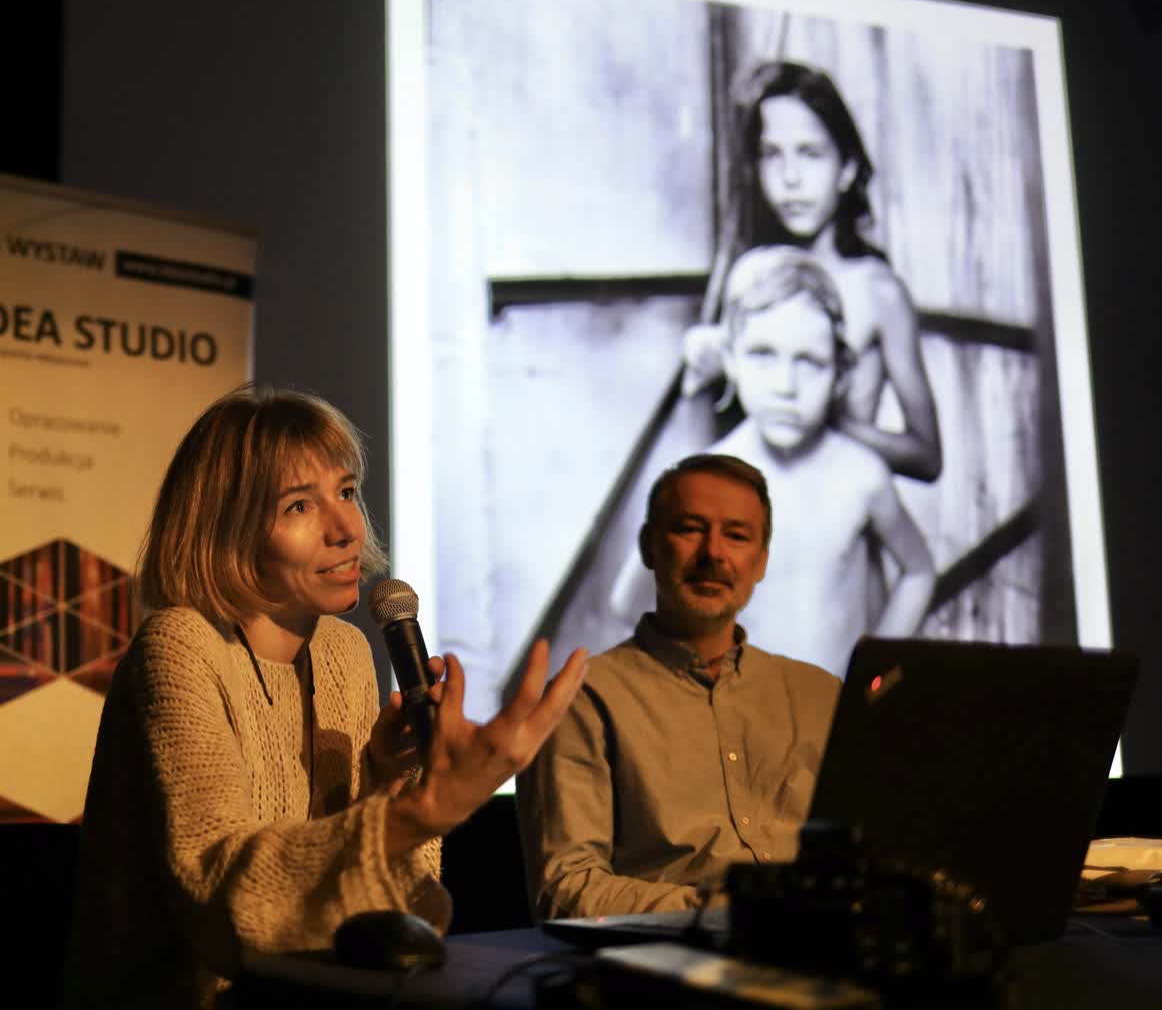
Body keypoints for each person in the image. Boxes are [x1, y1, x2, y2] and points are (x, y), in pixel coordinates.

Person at [61, 385, 588, 1009]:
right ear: (228, 527)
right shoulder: (180, 645)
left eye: (346, 491)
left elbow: (394, 921)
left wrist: (392, 784)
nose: (346, 528)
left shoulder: (344, 652)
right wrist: (421, 813)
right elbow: (218, 904)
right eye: (299, 506)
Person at [517, 452, 840, 920]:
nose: (713, 554)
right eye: (690, 529)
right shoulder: (583, 699)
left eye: (737, 535)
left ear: (761, 561)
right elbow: (566, 890)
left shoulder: (821, 696)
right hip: (675, 955)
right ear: (648, 546)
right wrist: (723, 910)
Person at [615, 250, 937, 675]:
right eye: (763, 355)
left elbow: (919, 571)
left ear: (841, 374)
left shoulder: (862, 476)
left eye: (810, 362)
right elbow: (630, 602)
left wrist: (874, 666)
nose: (786, 386)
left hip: (832, 708)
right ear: (730, 359)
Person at [683, 59, 942, 484]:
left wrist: (820, 419)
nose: (790, 178)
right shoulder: (750, 276)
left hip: (843, 508)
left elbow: (926, 457)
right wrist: (713, 361)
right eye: (772, 155)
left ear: (847, 169)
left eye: (810, 154)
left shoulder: (877, 290)